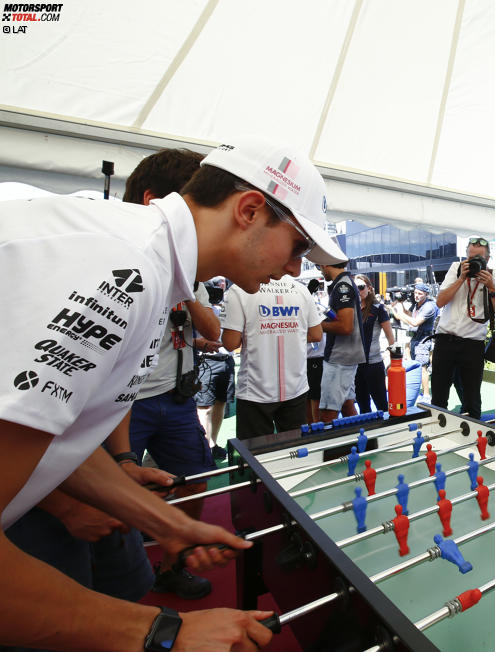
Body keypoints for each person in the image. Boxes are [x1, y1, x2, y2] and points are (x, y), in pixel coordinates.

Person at [0, 135, 347, 649]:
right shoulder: (126, 268)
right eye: (297, 246)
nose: (297, 269)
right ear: (250, 210)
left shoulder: (149, 263)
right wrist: (164, 632)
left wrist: (165, 523)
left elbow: (53, 436)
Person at [121, 148, 222, 600]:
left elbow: (214, 330)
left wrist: (186, 296)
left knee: (193, 477)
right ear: (153, 203)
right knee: (113, 495)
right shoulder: (118, 264)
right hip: (125, 403)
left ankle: (171, 561)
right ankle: (121, 573)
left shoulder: (186, 267)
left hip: (173, 396)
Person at [223, 274, 323, 439]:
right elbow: (316, 334)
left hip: (255, 388)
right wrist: (288, 332)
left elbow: (230, 343)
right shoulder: (301, 290)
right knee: (295, 453)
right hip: (295, 386)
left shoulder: (239, 289)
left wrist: (263, 334)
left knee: (255, 456)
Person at [431, 237, 495, 418]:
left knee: (472, 400)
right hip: (445, 340)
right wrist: (460, 278)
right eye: (470, 258)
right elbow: (440, 301)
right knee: (439, 396)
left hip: (472, 344)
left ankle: (471, 437)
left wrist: (491, 288)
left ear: (487, 260)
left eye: (478, 259)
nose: (473, 263)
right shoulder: (455, 269)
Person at [318, 259, 365, 423]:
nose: (320, 271)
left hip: (340, 358)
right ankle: (359, 446)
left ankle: (328, 448)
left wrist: (318, 326)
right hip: (346, 357)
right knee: (347, 405)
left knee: (327, 413)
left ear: (325, 265)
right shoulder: (344, 283)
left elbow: (346, 327)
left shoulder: (342, 286)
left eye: (319, 267)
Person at [195, 277, 235, 460]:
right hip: (206, 362)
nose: (217, 293)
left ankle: (213, 442)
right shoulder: (199, 309)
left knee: (221, 403)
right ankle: (204, 446)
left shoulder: (227, 306)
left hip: (226, 359)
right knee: (204, 408)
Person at [355, 274, 395, 413]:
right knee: (363, 406)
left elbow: (390, 336)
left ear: (369, 288)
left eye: (361, 287)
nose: (358, 290)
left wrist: (394, 360)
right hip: (355, 365)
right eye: (355, 287)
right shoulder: (351, 309)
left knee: (382, 405)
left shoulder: (378, 308)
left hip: (374, 364)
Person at [393, 283, 437, 398]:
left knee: (422, 367)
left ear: (426, 294)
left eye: (419, 293)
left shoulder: (428, 306)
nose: (416, 295)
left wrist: (400, 313)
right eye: (415, 293)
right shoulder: (417, 305)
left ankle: (427, 395)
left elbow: (414, 322)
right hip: (415, 338)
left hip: (423, 339)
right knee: (416, 366)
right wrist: (400, 303)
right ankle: (418, 392)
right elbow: (409, 314)